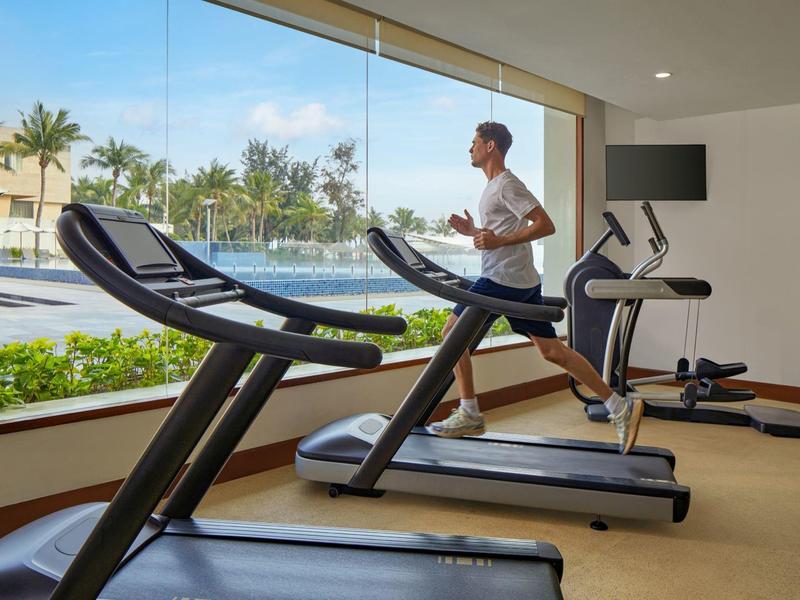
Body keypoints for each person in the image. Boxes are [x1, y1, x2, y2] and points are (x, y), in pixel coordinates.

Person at [431, 121, 643, 454]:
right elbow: (500, 235)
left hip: (503, 280)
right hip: (522, 280)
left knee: (451, 334)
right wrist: (474, 230)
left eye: (474, 142)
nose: (469, 148)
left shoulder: (506, 184)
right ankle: (618, 406)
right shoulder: (493, 188)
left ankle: (469, 410)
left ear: (491, 146)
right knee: (552, 351)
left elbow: (546, 225)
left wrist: (497, 238)